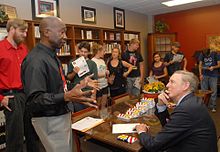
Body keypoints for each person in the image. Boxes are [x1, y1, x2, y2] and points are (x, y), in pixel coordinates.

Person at [21, 16, 98, 152]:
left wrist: (77, 88)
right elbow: (34, 100)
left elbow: (57, 88)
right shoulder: (36, 60)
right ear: (46, 32)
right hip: (50, 120)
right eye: (62, 32)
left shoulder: (52, 56)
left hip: (61, 116)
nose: (66, 37)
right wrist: (66, 96)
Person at [135, 70, 217, 152]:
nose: (167, 85)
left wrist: (141, 131)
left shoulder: (186, 109)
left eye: (172, 82)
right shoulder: (192, 101)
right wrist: (161, 105)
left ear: (185, 86)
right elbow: (168, 127)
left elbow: (153, 145)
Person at [0, 18, 40, 152]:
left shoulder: (24, 49)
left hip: (27, 94)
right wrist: (1, 98)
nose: (25, 34)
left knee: (32, 133)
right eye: (22, 31)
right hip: (11, 96)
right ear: (12, 29)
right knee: (15, 137)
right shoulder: (0, 48)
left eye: (26, 31)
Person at [67, 41, 98, 112]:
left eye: (85, 52)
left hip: (89, 93)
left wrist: (94, 95)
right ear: (78, 51)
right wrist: (74, 72)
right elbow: (68, 78)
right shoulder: (73, 62)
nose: (83, 54)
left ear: (88, 52)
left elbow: (95, 80)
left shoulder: (92, 64)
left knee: (89, 114)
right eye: (81, 51)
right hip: (77, 93)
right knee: (79, 114)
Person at [199, 48, 220, 112]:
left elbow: (219, 65)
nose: (206, 57)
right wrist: (200, 74)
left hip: (213, 75)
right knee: (203, 91)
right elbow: (200, 65)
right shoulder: (202, 54)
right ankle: (203, 106)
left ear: (210, 52)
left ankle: (213, 106)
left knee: (213, 91)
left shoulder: (216, 54)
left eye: (207, 56)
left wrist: (213, 67)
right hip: (204, 74)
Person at [92, 43, 109, 108]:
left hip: (105, 84)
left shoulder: (102, 60)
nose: (104, 53)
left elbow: (104, 70)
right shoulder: (93, 61)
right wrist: (104, 73)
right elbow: (94, 75)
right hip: (98, 86)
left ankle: (104, 117)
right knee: (98, 105)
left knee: (104, 104)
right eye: (103, 51)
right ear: (98, 51)